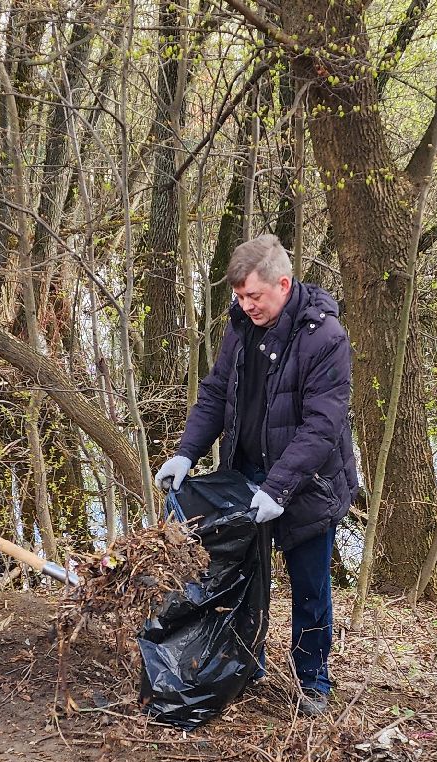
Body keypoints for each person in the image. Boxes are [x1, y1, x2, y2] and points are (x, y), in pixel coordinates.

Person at [154, 234, 358, 716]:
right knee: (246, 581)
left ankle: (313, 681)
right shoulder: (241, 327)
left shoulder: (325, 338)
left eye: (254, 296)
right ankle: (249, 663)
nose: (246, 305)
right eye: (240, 296)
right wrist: (186, 453)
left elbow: (322, 426)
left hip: (309, 486)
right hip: (244, 474)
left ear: (283, 284)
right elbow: (214, 392)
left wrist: (278, 487)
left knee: (310, 589)